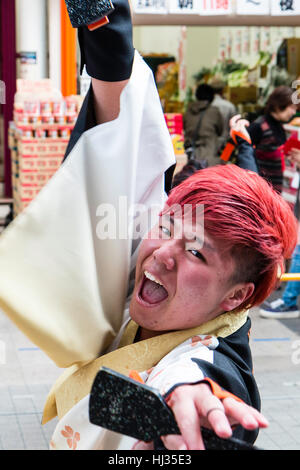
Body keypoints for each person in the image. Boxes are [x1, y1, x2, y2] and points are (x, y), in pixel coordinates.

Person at [0, 1, 297, 451]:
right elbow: (127, 152)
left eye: (196, 251)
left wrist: (197, 409)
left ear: (236, 296)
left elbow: (202, 383)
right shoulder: (156, 271)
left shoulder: (208, 366)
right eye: (167, 225)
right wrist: (105, 31)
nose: (161, 253)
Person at [247, 86, 297, 193]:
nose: (294, 112)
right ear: (280, 105)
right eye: (292, 108)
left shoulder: (282, 127)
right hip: (262, 192)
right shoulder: (259, 126)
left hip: (278, 191)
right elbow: (243, 153)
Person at [183, 84, 223, 167]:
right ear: (212, 97)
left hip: (191, 156)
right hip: (209, 157)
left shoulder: (188, 111)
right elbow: (220, 131)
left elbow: (185, 127)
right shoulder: (214, 111)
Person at [211, 79, 236, 150]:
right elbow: (234, 128)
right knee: (225, 160)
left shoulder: (208, 105)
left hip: (210, 146)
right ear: (222, 91)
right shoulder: (230, 106)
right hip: (227, 145)